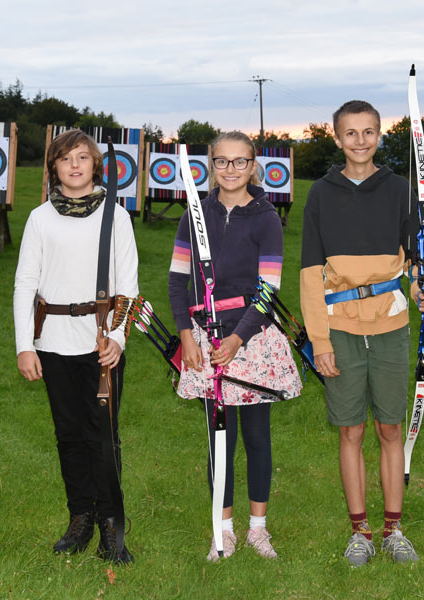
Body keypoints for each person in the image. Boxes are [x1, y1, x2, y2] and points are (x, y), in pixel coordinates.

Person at [300, 100, 424, 566]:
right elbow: (308, 272)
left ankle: (393, 529)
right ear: (336, 138)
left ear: (380, 135)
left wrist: (422, 290)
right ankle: (359, 531)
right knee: (351, 430)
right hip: (338, 326)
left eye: (369, 132)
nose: (360, 141)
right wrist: (319, 341)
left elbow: (416, 256)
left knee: (389, 426)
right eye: (351, 133)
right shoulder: (321, 193)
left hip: (391, 325)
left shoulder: (399, 189)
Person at [168, 131, 303, 561]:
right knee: (218, 439)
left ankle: (257, 530)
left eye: (239, 162)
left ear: (254, 165)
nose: (230, 170)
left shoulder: (266, 217)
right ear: (211, 165)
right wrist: (187, 334)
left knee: (257, 438)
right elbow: (176, 280)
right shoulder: (194, 213)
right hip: (205, 338)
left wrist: (238, 337)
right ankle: (222, 530)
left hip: (252, 337)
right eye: (221, 162)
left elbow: (268, 290)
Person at [13, 130, 139, 564]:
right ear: (53, 167)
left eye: (83, 157)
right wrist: (24, 345)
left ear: (95, 165)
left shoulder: (115, 217)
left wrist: (119, 338)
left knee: (102, 434)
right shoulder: (39, 218)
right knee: (68, 434)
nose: (74, 165)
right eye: (65, 158)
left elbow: (128, 288)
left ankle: (109, 523)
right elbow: (25, 284)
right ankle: (80, 517)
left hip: (101, 342)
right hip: (52, 342)